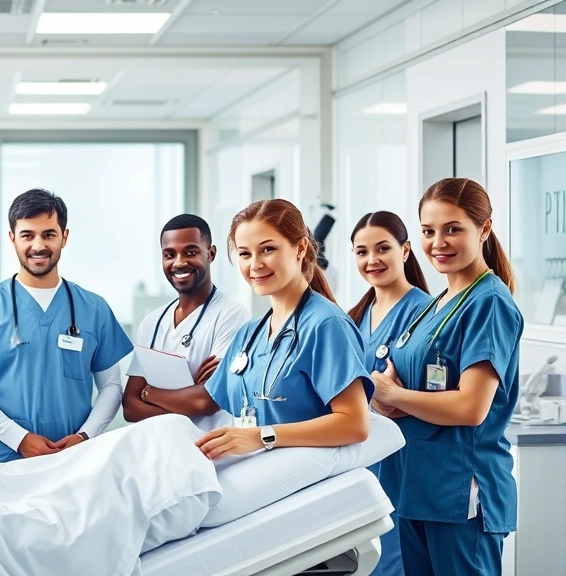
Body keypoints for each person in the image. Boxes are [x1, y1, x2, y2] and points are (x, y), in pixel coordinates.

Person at [370, 178, 522, 576]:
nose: (439, 242)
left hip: (459, 492)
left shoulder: (487, 303)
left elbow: (471, 407)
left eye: (453, 229)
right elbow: (409, 385)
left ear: (484, 229)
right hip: (414, 485)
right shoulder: (438, 300)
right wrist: (386, 397)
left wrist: (393, 394)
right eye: (428, 231)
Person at [0, 188, 134, 464]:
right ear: (12, 238)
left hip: (72, 458)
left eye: (48, 234)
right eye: (27, 235)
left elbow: (111, 386)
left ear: (65, 237)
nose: (38, 245)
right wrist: (19, 439)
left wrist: (84, 437)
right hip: (4, 459)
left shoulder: (94, 309)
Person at [197, 198, 372, 459]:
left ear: (300, 248)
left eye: (267, 249)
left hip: (306, 484)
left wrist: (263, 436)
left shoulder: (326, 326)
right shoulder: (249, 334)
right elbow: (209, 401)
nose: (254, 264)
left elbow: (355, 424)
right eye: (245, 254)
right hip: (260, 480)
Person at [347, 210, 431, 576]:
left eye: (383, 248)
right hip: (361, 456)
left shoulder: (424, 312)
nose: (372, 260)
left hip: (403, 460)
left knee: (394, 560)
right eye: (362, 252)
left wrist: (388, 396)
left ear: (406, 250)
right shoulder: (355, 315)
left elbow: (416, 393)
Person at [122, 214, 249, 430]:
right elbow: (130, 407)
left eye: (191, 252)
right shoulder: (151, 323)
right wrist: (188, 399)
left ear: (210, 254)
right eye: (169, 254)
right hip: (159, 446)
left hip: (208, 450)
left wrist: (149, 393)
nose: (179, 262)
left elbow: (207, 401)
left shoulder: (232, 314)